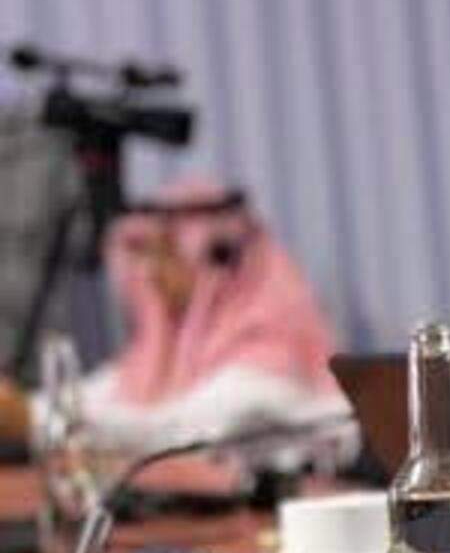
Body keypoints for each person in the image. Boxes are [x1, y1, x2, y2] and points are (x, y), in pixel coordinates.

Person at [0, 182, 349, 456]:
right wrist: (21, 407)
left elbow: (180, 433)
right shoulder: (166, 349)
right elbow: (94, 396)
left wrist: (31, 420)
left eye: (165, 257)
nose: (149, 275)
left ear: (216, 259)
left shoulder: (269, 346)